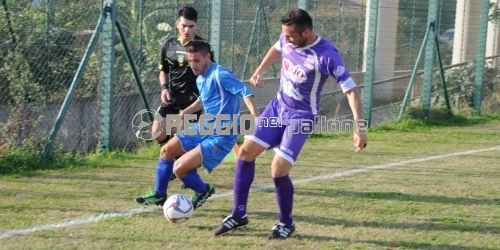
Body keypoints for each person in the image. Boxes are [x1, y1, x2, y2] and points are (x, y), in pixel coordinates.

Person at [213, 8, 368, 239]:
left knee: (278, 169)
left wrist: (360, 128)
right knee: (245, 152)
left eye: (291, 36)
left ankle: (286, 222)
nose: (286, 40)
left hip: (302, 117)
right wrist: (259, 70)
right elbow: (276, 49)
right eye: (284, 35)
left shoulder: (327, 55)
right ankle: (238, 214)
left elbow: (352, 91)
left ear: (306, 33)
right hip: (277, 108)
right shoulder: (287, 39)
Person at [135, 40, 260, 209]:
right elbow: (204, 100)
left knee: (179, 169)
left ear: (207, 57)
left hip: (221, 136)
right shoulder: (201, 78)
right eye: (190, 61)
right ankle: (159, 194)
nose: (192, 65)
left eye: (197, 60)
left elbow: (245, 91)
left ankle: (203, 190)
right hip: (203, 128)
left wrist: (256, 118)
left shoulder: (219, 74)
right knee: (167, 150)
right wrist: (184, 113)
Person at [152, 6, 215, 187]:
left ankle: (183, 169)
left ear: (196, 26)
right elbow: (163, 70)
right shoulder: (169, 45)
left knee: (184, 137)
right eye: (184, 25)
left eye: (191, 26)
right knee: (157, 132)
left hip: (192, 100)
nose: (187, 30)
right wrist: (164, 88)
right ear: (177, 24)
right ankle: (179, 162)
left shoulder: (203, 47)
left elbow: (211, 73)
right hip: (172, 97)